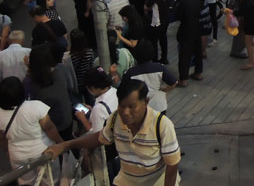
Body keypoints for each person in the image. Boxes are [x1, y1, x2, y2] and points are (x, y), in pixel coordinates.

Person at [44, 79, 182, 186]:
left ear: (145, 102)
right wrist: (65, 145)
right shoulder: (116, 119)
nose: (126, 112)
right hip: (126, 181)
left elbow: (172, 165)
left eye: (131, 106)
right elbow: (99, 138)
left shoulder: (162, 126)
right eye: (122, 106)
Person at [0, 76, 62, 186]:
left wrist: (7, 151)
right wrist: (61, 142)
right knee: (50, 182)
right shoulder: (35, 106)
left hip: (18, 156)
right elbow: (49, 128)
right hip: (43, 153)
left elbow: (2, 138)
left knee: (26, 184)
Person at [26, 45, 74, 141]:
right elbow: (70, 87)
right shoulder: (60, 69)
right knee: (69, 141)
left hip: (46, 124)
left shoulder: (29, 82)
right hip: (66, 118)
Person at [122, 40, 177, 113]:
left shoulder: (130, 73)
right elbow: (174, 82)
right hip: (158, 105)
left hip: (140, 107)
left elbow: (124, 90)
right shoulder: (160, 68)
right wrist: (163, 90)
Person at [175, 0, 204, 86]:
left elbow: (178, 16)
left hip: (186, 29)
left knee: (184, 54)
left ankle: (183, 79)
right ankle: (198, 73)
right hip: (197, 27)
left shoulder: (182, 2)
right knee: (197, 52)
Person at [74, 67, 118, 134]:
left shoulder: (98, 109)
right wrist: (92, 110)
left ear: (92, 88)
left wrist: (82, 118)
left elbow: (97, 135)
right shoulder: (115, 91)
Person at [146, 0, 171, 64]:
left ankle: (155, 60)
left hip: (156, 22)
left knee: (154, 41)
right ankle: (164, 58)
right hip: (165, 21)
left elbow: (147, 6)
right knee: (163, 39)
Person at [65, 29, 95, 103]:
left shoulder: (72, 57)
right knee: (90, 101)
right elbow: (91, 65)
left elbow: (71, 71)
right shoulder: (90, 52)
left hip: (77, 84)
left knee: (78, 103)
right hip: (88, 81)